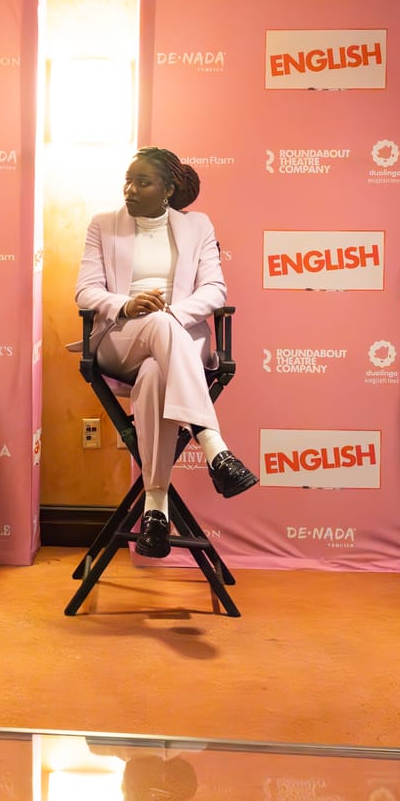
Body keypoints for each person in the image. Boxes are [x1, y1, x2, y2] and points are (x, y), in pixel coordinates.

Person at [75, 146, 257, 559]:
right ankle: (214, 446)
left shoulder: (197, 225)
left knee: (156, 374)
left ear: (168, 189)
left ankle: (155, 511)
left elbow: (215, 290)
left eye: (143, 182)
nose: (130, 190)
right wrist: (127, 304)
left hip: (181, 336)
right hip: (121, 336)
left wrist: (172, 313)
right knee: (157, 326)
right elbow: (85, 290)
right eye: (128, 181)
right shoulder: (104, 224)